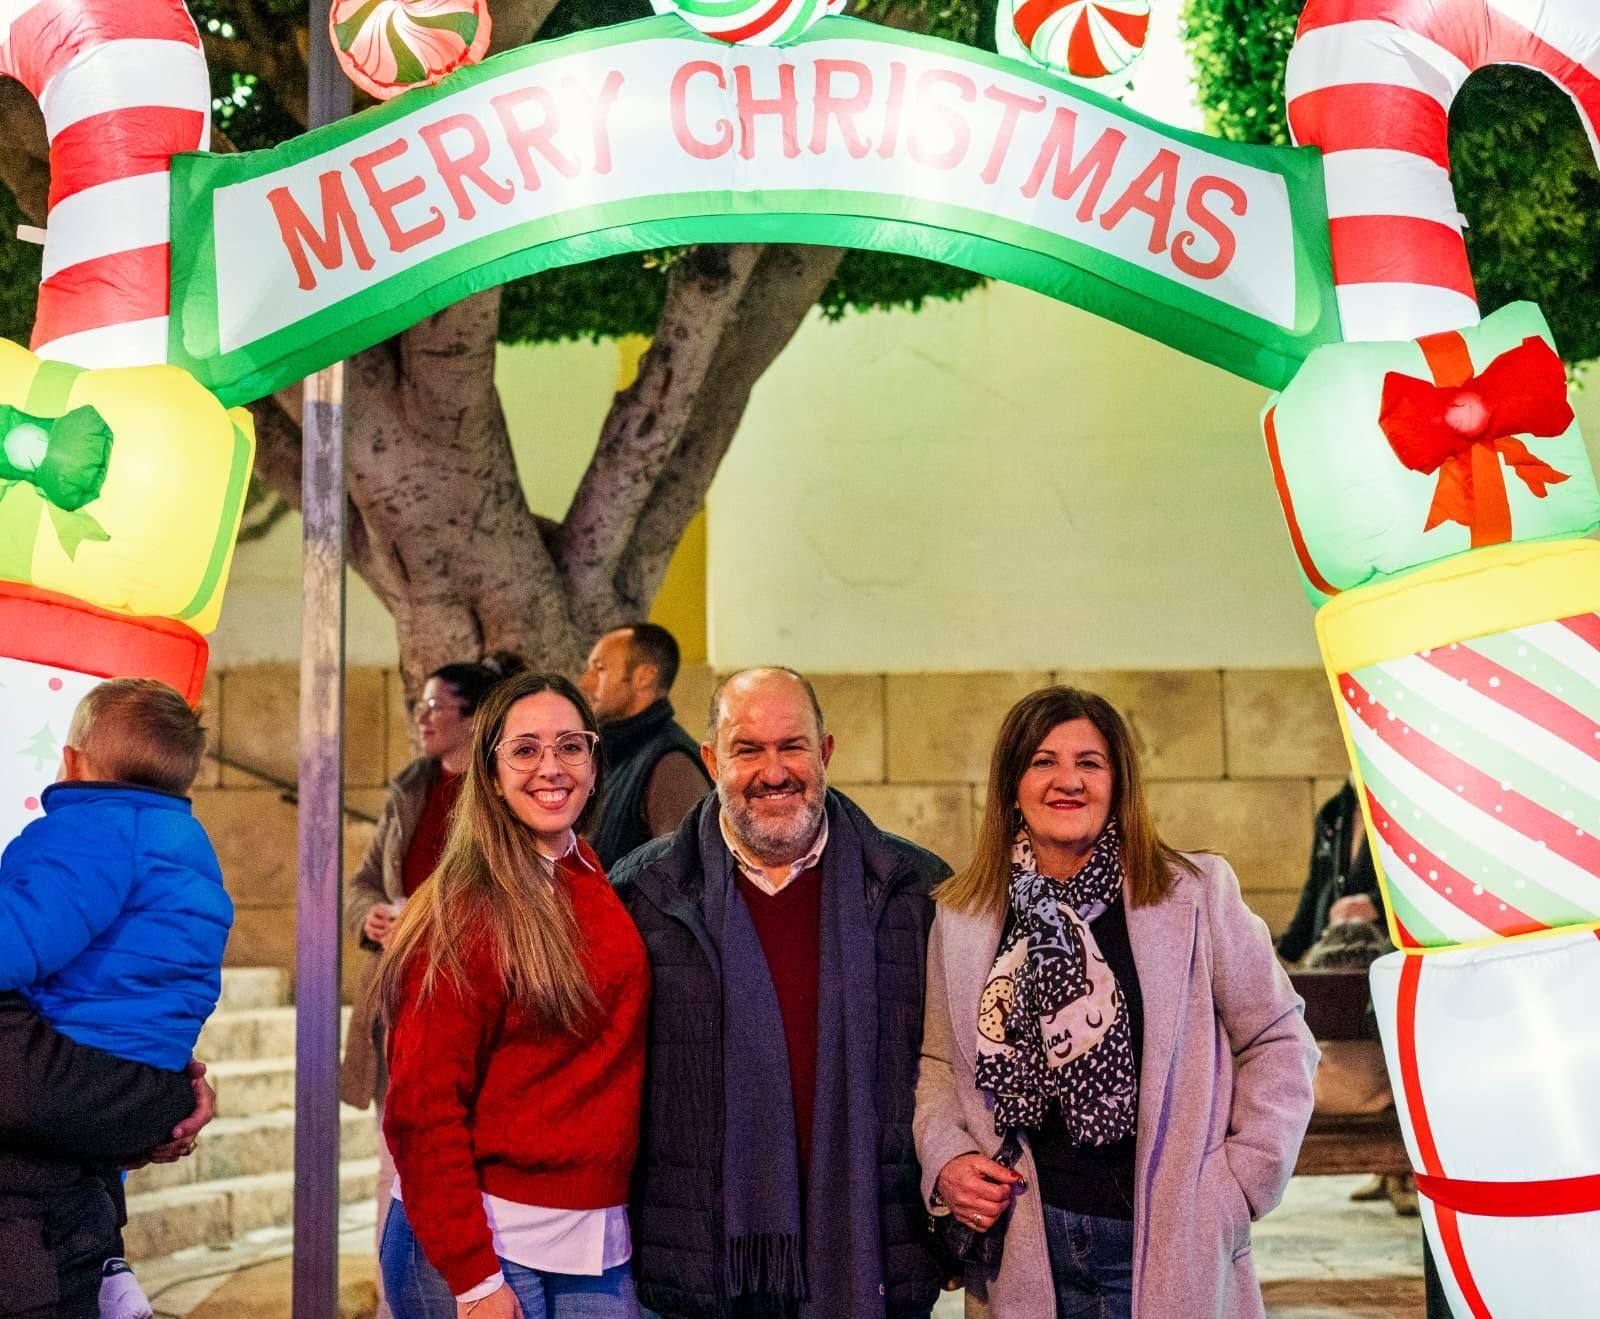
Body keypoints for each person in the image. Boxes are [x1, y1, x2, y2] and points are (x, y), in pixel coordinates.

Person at [914, 686, 1317, 1318]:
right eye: (1042, 761)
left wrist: (1241, 1183)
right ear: (1011, 786)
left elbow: (1277, 1038)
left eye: (1090, 763)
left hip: (1168, 1235)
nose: (1066, 780)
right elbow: (939, 1066)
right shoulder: (964, 916)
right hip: (1027, 1240)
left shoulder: (1196, 894)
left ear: (1118, 781)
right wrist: (948, 1160)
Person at [611, 666, 948, 1319]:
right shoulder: (644, 896)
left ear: (824, 752)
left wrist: (954, 1234)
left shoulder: (916, 890)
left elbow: (956, 1070)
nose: (774, 770)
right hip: (702, 1272)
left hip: (874, 1256)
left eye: (792, 745)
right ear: (711, 760)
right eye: (747, 748)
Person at [377, 672, 648, 1319]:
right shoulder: (465, 908)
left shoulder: (588, 874)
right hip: (483, 1246)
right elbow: (421, 1107)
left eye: (571, 746)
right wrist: (474, 1279)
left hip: (594, 1240)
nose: (550, 767)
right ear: (492, 772)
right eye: (525, 749)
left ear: (594, 760)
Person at [0, 678, 232, 1319]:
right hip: (144, 1067)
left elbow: (17, 941)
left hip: (70, 1056)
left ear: (72, 761)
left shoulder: (87, 834)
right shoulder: (185, 846)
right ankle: (108, 1267)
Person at [341, 654, 521, 1319]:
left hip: (472, 1007)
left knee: (458, 1160)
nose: (421, 718)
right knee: (399, 1160)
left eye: (433, 707)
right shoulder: (410, 786)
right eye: (417, 706)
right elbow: (360, 884)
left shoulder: (504, 791)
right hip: (400, 1002)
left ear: (472, 720)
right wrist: (374, 917)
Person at [578, 622, 710, 868]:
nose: (585, 682)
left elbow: (683, 880)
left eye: (600, 669)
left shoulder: (672, 766)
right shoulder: (615, 753)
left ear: (643, 677)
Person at [1276, 780, 1385, 964]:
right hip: (1331, 954)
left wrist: (1377, 905)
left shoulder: (1410, 811)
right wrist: (1283, 954)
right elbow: (1314, 891)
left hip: (1382, 956)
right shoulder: (1332, 813)